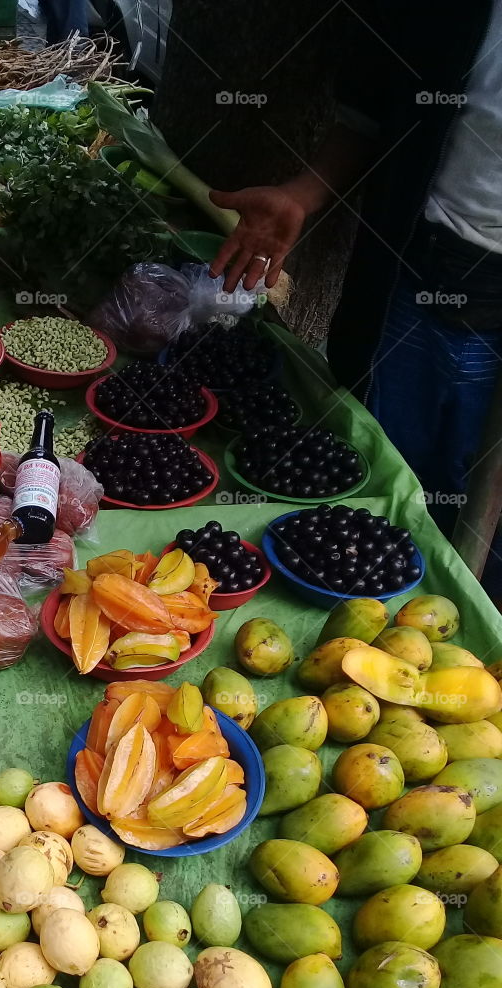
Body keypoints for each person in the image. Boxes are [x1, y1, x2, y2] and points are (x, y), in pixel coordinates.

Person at [207, 1, 501, 569]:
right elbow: (371, 112)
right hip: (412, 263)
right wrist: (302, 194)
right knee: (391, 465)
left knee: (482, 505)